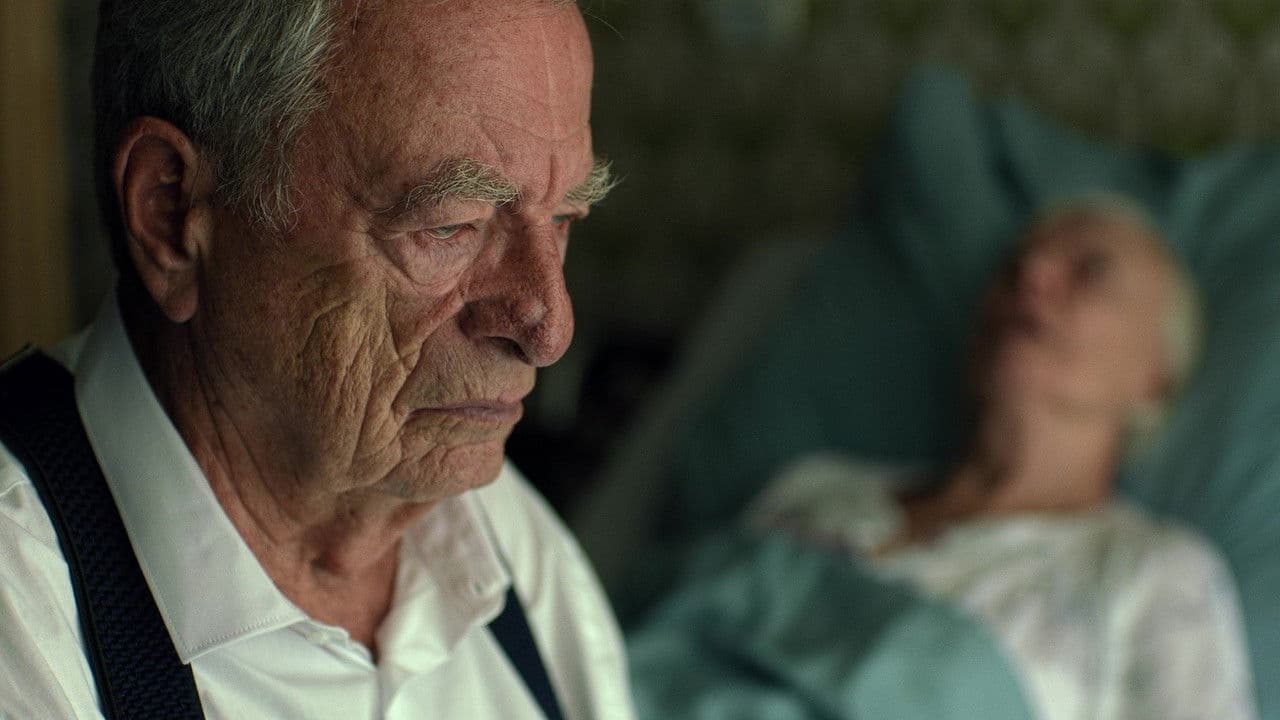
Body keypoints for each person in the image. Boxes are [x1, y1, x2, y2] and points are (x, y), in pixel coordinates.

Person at [0, 1, 635, 718]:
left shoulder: (500, 542)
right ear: (170, 212)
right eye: (450, 225)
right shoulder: (22, 613)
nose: (550, 330)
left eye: (563, 218)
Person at [745, 199, 1258, 719]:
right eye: (1013, 267)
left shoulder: (1156, 574)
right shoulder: (810, 488)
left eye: (1090, 272)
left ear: (1156, 378)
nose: (1031, 275)